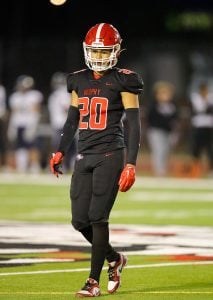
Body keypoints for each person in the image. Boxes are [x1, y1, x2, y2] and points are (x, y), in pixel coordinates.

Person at [50, 23, 143, 297]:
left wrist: (131, 162)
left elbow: (134, 125)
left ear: (116, 51)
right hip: (84, 154)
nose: (100, 57)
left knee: (97, 217)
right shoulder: (78, 79)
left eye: (105, 52)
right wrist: (60, 150)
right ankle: (115, 258)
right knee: (79, 221)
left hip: (110, 155)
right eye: (96, 52)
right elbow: (72, 119)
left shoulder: (124, 79)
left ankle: (92, 282)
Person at [7, 75, 43, 173]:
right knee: (19, 146)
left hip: (30, 124)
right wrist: (11, 127)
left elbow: (37, 111)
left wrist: (33, 125)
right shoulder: (15, 96)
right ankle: (21, 166)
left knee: (33, 146)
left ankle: (34, 166)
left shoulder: (35, 95)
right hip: (19, 124)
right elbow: (14, 113)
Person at [146, 81, 179, 176]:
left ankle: (163, 169)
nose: (166, 96)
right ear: (157, 94)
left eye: (168, 93)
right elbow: (150, 118)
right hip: (155, 131)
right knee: (158, 150)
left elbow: (175, 119)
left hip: (168, 132)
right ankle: (159, 171)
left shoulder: (172, 106)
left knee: (166, 151)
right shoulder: (153, 105)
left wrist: (175, 131)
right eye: (163, 93)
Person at [48, 71, 77, 172]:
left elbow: (66, 109)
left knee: (60, 147)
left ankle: (61, 166)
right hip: (63, 124)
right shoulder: (63, 94)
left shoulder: (57, 94)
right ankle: (66, 166)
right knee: (68, 148)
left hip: (60, 124)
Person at [189, 82, 213, 177]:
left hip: (209, 127)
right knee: (196, 149)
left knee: (210, 149)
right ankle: (195, 170)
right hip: (198, 127)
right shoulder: (196, 99)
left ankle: (210, 170)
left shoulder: (210, 98)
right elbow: (201, 109)